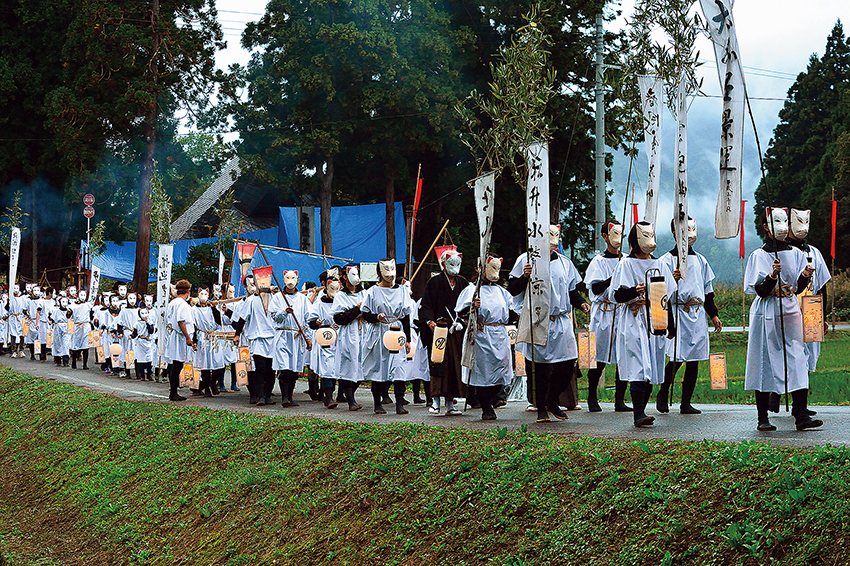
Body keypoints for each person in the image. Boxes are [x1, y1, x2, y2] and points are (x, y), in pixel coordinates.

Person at [744, 207, 822, 431]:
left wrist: (804, 276)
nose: (782, 226)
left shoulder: (796, 253)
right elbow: (759, 290)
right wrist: (771, 276)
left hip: (789, 308)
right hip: (767, 311)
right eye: (776, 221)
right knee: (765, 359)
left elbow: (796, 287)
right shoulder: (759, 256)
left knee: (798, 357)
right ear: (766, 227)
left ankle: (801, 415)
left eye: (784, 221)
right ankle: (762, 417)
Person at [508, 225, 591, 423]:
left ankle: (552, 400)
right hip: (538, 320)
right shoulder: (525, 260)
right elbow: (512, 289)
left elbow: (571, 292)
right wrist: (524, 276)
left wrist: (581, 304)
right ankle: (541, 409)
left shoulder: (564, 263)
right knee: (541, 369)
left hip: (561, 321)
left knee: (568, 365)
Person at [610, 222, 676, 427]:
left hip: (656, 315)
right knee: (639, 366)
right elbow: (617, 295)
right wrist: (634, 291)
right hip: (634, 318)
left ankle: (642, 410)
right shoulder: (625, 264)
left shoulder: (660, 265)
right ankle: (638, 414)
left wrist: (670, 324)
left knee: (652, 367)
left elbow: (666, 297)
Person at [657, 217, 723, 415]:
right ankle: (663, 392)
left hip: (696, 313)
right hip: (677, 311)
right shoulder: (666, 260)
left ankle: (686, 402)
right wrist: (671, 280)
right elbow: (659, 292)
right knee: (676, 358)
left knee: (694, 360)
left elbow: (707, 291)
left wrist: (713, 315)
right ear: (675, 233)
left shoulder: (701, 260)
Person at [456, 257, 517, 420]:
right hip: (482, 335)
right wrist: (472, 308)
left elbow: (512, 312)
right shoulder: (471, 291)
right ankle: (485, 406)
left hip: (499, 334)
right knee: (482, 372)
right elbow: (461, 313)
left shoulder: (501, 292)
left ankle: (494, 397)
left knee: (501, 370)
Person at [583, 220, 632, 413]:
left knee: (623, 355)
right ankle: (592, 397)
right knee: (599, 356)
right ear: (605, 237)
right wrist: (614, 277)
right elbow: (595, 287)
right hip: (603, 313)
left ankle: (619, 399)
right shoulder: (598, 261)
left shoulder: (627, 259)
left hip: (621, 311)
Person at [418, 249, 469, 416]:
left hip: (456, 330)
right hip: (439, 330)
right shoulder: (434, 282)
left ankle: (450, 404)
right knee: (438, 363)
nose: (455, 267)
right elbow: (426, 305)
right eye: (451, 264)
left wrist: (463, 320)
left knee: (454, 366)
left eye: (457, 264)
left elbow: (467, 307)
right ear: (443, 264)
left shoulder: (463, 283)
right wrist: (429, 321)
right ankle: (434, 401)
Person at [360, 259, 412, 415]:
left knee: (399, 368)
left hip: (397, 331)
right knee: (379, 368)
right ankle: (378, 403)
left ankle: (399, 403)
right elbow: (365, 314)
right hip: (380, 332)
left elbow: (406, 317)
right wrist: (376, 317)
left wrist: (408, 339)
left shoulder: (402, 291)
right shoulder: (373, 291)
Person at [269, 270, 313, 407]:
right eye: (288, 278)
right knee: (285, 367)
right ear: (283, 280)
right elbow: (274, 316)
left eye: (293, 278)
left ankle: (290, 396)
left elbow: (308, 318)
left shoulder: (302, 299)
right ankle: (284, 396)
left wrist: (308, 338)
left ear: (298, 280)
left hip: (297, 337)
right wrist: (285, 312)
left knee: (294, 368)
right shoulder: (277, 298)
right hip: (283, 336)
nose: (290, 281)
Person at [232, 273, 276, 406]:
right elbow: (242, 318)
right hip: (257, 338)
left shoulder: (275, 298)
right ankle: (259, 395)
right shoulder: (251, 300)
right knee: (260, 368)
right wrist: (237, 334)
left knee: (271, 369)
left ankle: (268, 395)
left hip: (273, 338)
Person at [332, 264, 365, 411]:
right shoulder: (340, 296)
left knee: (363, 367)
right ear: (345, 277)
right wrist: (356, 309)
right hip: (349, 335)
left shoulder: (364, 294)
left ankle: (349, 393)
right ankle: (351, 400)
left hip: (363, 332)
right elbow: (339, 319)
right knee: (348, 367)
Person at [307, 276, 342, 408]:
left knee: (335, 367)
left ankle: (329, 392)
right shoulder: (319, 304)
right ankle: (329, 396)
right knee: (327, 366)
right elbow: (311, 321)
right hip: (325, 338)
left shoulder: (342, 302)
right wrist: (316, 323)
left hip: (339, 339)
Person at [164, 280, 196, 402]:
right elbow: (181, 321)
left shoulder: (173, 303)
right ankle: (173, 393)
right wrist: (188, 337)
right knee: (177, 365)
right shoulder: (182, 304)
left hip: (174, 335)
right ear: (187, 292)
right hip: (180, 337)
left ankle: (173, 391)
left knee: (175, 364)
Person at [193, 287, 225, 397]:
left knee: (219, 364)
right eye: (201, 294)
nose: (203, 296)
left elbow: (219, 320)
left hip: (214, 337)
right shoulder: (194, 310)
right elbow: (193, 325)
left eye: (205, 294)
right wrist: (194, 340)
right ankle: (206, 388)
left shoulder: (212, 308)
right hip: (202, 337)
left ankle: (213, 383)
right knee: (205, 365)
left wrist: (214, 308)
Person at [69, 290, 93, 369]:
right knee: (76, 344)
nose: (83, 297)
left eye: (84, 295)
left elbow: (92, 314)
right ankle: (74, 362)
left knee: (86, 345)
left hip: (86, 326)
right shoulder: (73, 305)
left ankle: (85, 364)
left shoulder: (88, 305)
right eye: (81, 295)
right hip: (77, 326)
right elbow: (68, 315)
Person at [132, 306, 156, 381]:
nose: (144, 315)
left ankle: (149, 374)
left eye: (146, 313)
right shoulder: (137, 324)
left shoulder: (150, 322)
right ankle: (141, 375)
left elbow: (151, 331)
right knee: (140, 360)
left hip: (148, 342)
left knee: (149, 359)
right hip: (140, 343)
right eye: (142, 313)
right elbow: (135, 333)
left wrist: (147, 322)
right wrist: (131, 336)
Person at [49, 296, 72, 366]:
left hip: (66, 327)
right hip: (58, 328)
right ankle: (58, 360)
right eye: (63, 302)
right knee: (57, 343)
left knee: (66, 343)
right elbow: (52, 319)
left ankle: (66, 361)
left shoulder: (69, 311)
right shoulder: (56, 311)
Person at [7, 285, 24, 358]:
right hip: (13, 317)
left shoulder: (22, 299)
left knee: (21, 334)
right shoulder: (11, 300)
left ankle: (21, 349)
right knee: (13, 334)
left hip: (19, 317)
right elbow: (7, 308)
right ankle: (13, 350)